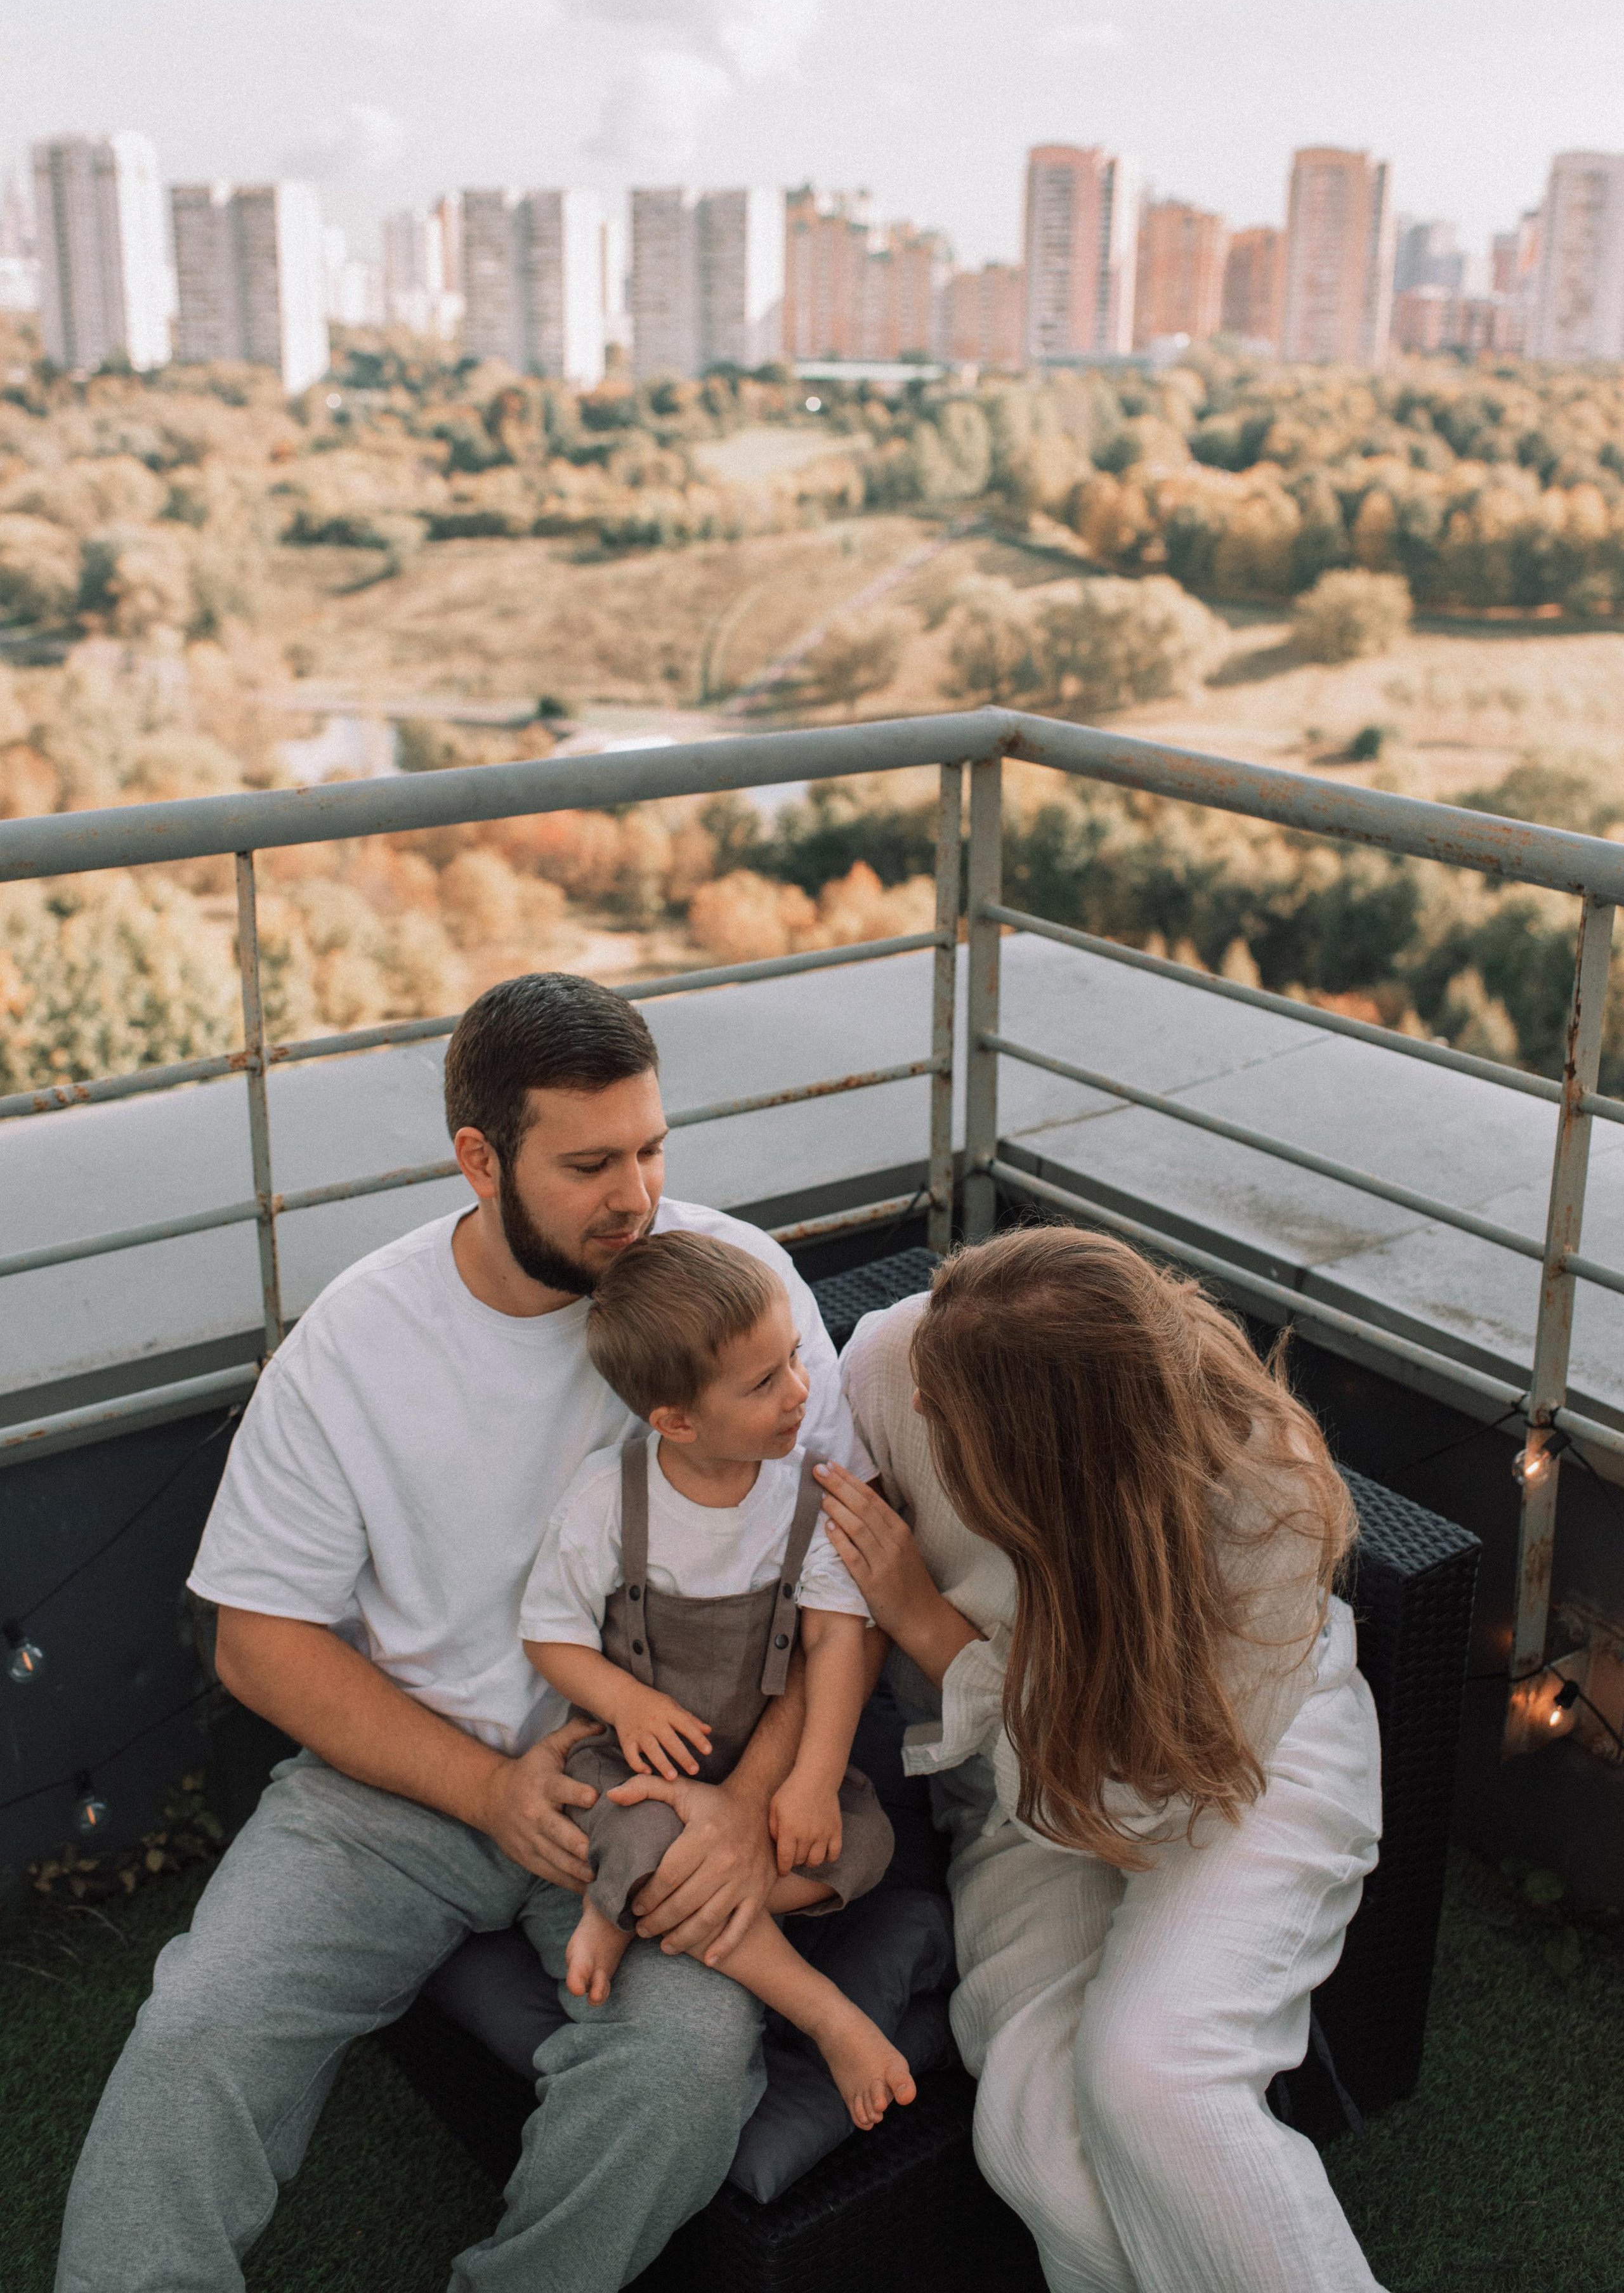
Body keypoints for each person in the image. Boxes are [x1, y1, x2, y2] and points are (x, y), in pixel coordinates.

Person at [55, 972, 876, 2293]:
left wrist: (746, 1802)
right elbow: (258, 1642)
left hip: (657, 1792)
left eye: (652, 1149)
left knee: (680, 2070)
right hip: (406, 1776)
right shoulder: (356, 1342)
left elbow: (844, 1576)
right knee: (205, 2020)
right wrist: (487, 1791)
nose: (636, 1197)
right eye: (589, 1165)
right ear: (480, 1160)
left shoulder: (740, 1291)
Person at [818, 1225, 1385, 2293]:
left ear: (1055, 1465)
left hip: (1229, 1775)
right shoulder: (900, 1358)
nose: (918, 1400)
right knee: (1042, 2149)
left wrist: (932, 1630)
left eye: (951, 1409)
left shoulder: (1263, 1495)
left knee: (1153, 2075)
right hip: (1009, 1784)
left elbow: (1143, 1807)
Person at [521, 1229, 914, 2130]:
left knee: (864, 1844)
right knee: (634, 1828)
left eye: (794, 1359)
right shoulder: (608, 1501)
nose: (801, 1390)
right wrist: (626, 1701)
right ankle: (827, 2014)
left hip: (760, 1779)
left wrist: (812, 1780)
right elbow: (549, 1635)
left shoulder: (806, 1498)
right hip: (636, 1775)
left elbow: (837, 1642)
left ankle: (634, 1903)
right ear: (677, 1422)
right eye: (765, 1381)